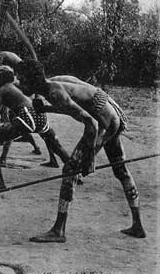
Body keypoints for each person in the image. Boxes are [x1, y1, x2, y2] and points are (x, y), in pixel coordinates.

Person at [15, 59, 146, 242]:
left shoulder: (54, 92)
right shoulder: (51, 85)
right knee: (121, 170)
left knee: (70, 170)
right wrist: (45, 108)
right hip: (109, 117)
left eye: (22, 80)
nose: (20, 85)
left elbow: (89, 124)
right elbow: (70, 108)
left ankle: (58, 230)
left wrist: (90, 157)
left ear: (32, 79)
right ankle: (138, 225)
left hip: (104, 124)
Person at [0, 65, 71, 190]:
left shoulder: (1, 90)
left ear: (0, 78)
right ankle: (74, 174)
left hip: (26, 116)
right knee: (56, 145)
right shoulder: (16, 85)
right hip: (40, 115)